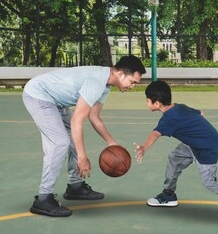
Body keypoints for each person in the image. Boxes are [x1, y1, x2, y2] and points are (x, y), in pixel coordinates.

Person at [22, 55, 146, 217]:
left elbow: (94, 116)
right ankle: (43, 199)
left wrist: (111, 142)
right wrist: (82, 157)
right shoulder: (96, 82)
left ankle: (75, 186)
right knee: (59, 143)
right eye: (132, 82)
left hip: (56, 101)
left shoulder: (105, 85)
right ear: (121, 74)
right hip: (39, 95)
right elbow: (76, 121)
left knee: (74, 139)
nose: (133, 86)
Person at [133, 80, 218, 223]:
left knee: (208, 181)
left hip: (206, 146)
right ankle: (168, 195)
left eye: (147, 100)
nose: (146, 103)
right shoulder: (179, 107)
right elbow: (200, 113)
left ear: (157, 103)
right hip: (193, 143)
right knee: (174, 158)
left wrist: (143, 148)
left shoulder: (169, 119)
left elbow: (155, 134)